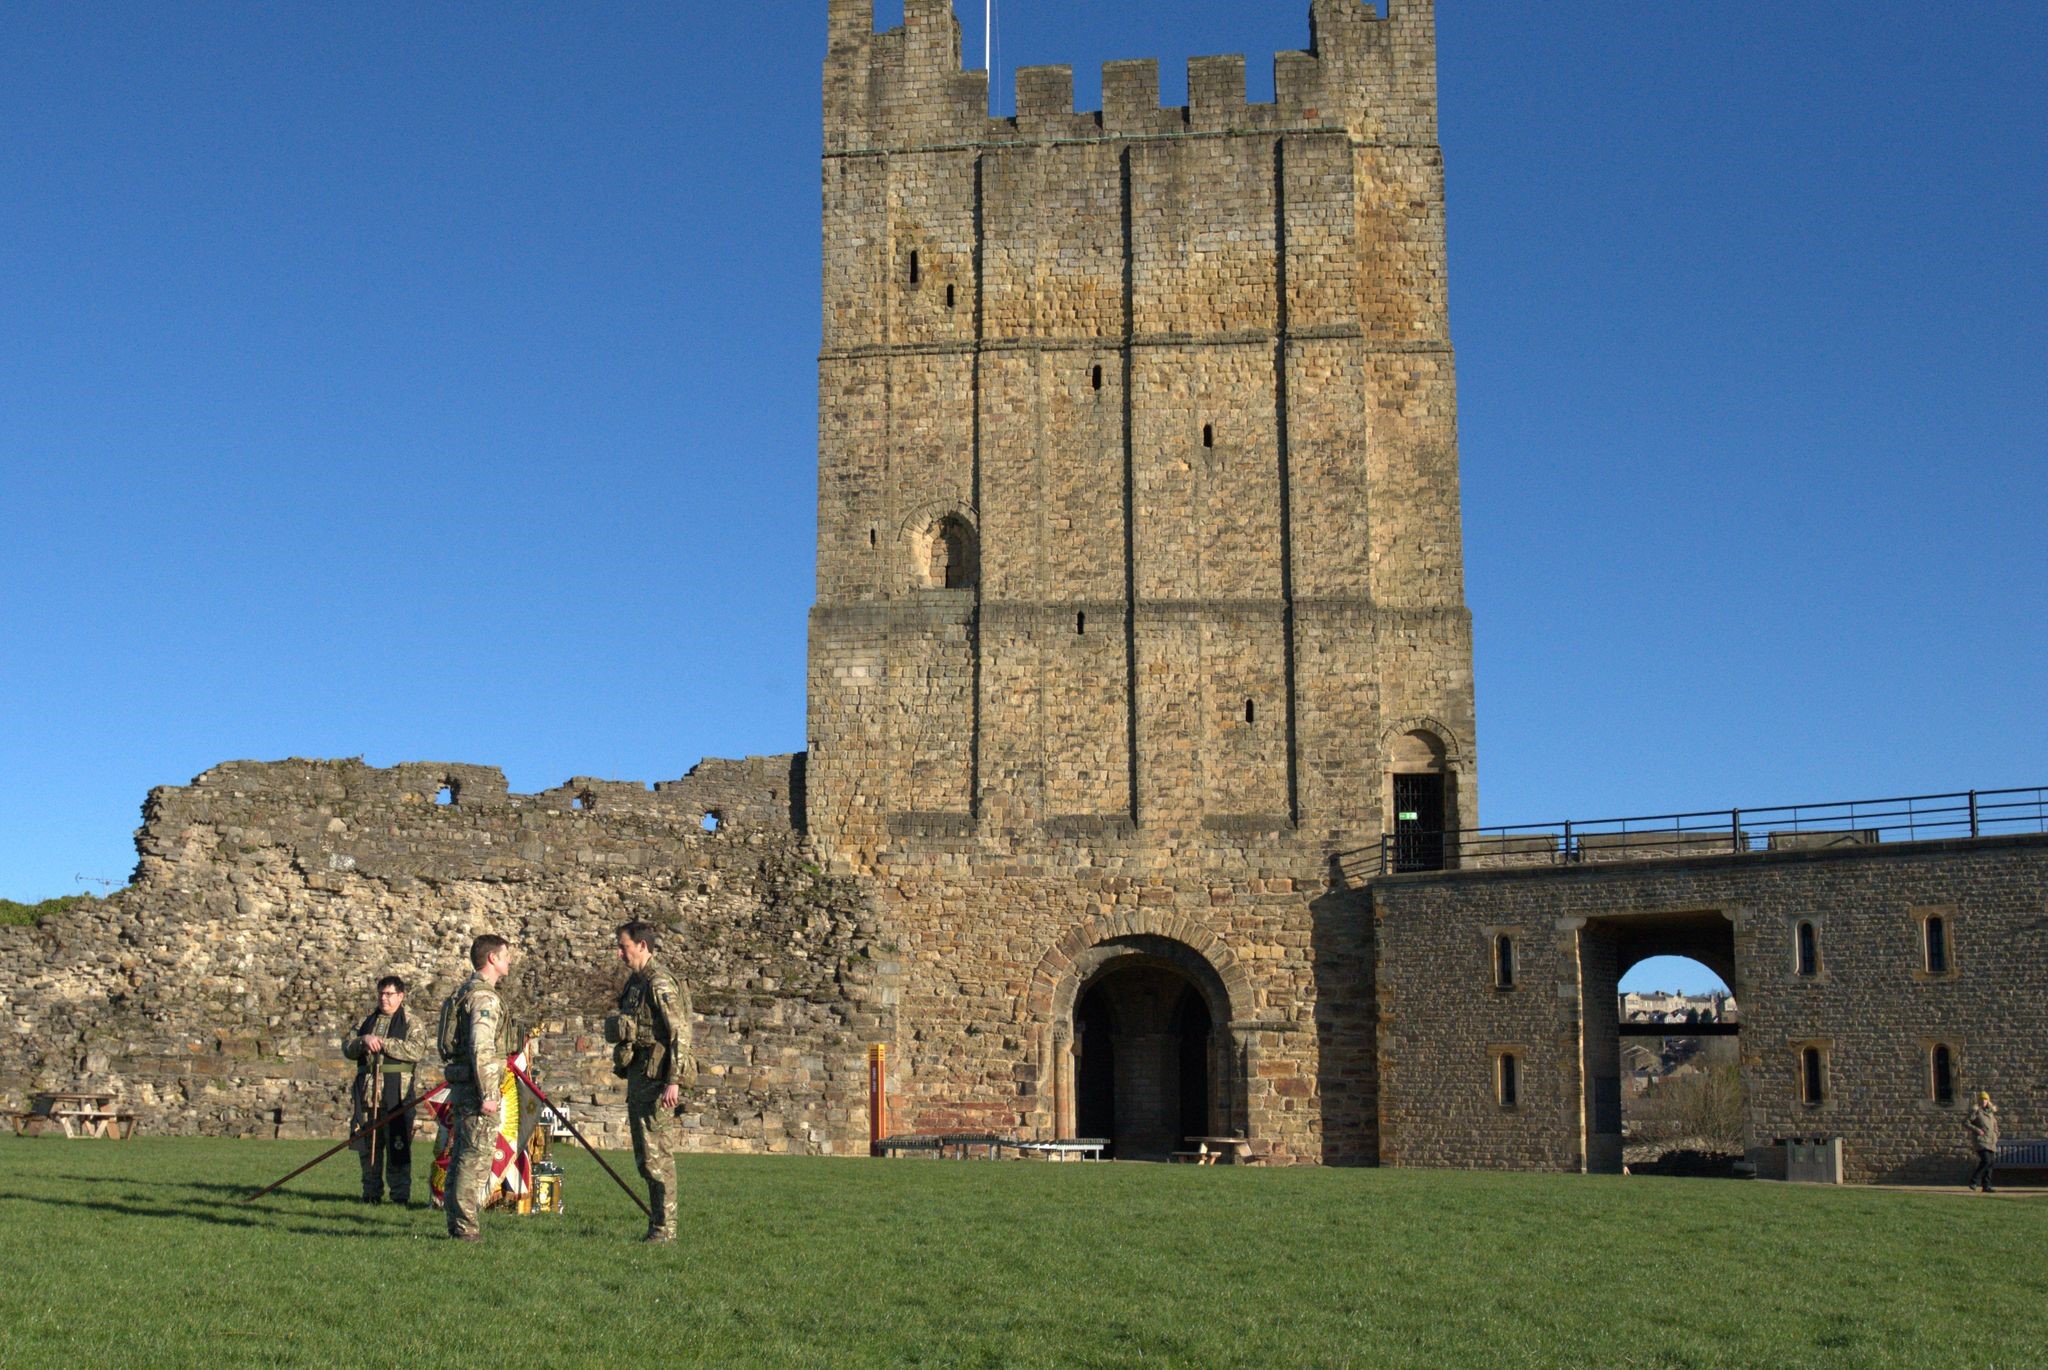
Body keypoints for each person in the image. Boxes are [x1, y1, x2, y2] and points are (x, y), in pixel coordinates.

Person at [607, 919, 695, 1243]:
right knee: (646, 1158)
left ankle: (665, 1229)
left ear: (642, 946)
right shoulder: (635, 984)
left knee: (658, 1157)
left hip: (658, 1082)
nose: (619, 954)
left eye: (624, 947)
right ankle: (658, 1225)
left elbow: (679, 1032)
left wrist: (675, 1080)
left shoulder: (659, 982)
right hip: (639, 1078)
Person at [438, 934, 514, 1241]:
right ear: (492, 958)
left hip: (463, 1083)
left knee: (461, 1155)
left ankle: (457, 1223)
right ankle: (467, 1228)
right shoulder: (484, 998)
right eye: (506, 955)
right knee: (475, 1158)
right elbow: (481, 1046)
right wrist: (488, 1094)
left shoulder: (462, 993)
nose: (509, 960)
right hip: (477, 1088)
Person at [341, 975, 427, 1204]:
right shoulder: (366, 1021)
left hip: (397, 1095)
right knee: (368, 1148)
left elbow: (416, 1050)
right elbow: (348, 1047)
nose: (384, 998)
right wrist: (364, 1040)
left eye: (389, 994)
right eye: (381, 993)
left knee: (397, 1146)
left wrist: (384, 1043)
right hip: (368, 1096)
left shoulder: (411, 1022)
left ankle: (399, 1197)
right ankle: (370, 1193)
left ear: (400, 996)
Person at [1966, 1091, 2000, 1193]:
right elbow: (1966, 1122)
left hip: (1991, 1141)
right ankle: (1973, 1180)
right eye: (1981, 1099)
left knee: (1991, 1163)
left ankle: (1986, 1186)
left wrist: (1996, 1133)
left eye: (1985, 1099)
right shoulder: (1976, 1111)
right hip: (1981, 1140)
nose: (1983, 1101)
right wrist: (1977, 1130)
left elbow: (1995, 1125)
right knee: (1986, 1160)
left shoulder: (1991, 1113)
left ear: (1988, 1101)